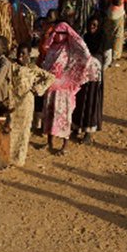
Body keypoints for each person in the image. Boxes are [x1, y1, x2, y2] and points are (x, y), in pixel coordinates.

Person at [39, 22, 101, 156]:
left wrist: (69, 80)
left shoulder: (71, 50)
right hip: (51, 89)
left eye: (59, 34)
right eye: (54, 33)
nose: (55, 36)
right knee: (49, 115)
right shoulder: (52, 48)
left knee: (64, 118)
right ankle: (49, 142)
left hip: (64, 91)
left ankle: (64, 145)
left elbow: (85, 57)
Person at [9, 43, 55, 166]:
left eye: (24, 54)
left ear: (29, 55)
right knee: (11, 128)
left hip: (26, 104)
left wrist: (39, 88)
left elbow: (51, 77)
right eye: (19, 53)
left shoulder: (33, 69)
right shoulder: (12, 66)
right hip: (12, 102)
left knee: (23, 131)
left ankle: (18, 159)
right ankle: (8, 156)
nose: (20, 56)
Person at [73, 17, 110, 142]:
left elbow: (107, 59)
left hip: (95, 78)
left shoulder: (103, 39)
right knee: (81, 101)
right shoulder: (86, 37)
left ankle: (88, 133)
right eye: (90, 25)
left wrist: (97, 69)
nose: (91, 27)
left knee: (91, 103)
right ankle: (77, 128)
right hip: (83, 76)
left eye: (94, 25)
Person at [103, 0, 127, 64]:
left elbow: (107, 3)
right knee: (118, 36)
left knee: (108, 34)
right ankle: (114, 56)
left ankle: (107, 53)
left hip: (110, 14)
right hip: (119, 15)